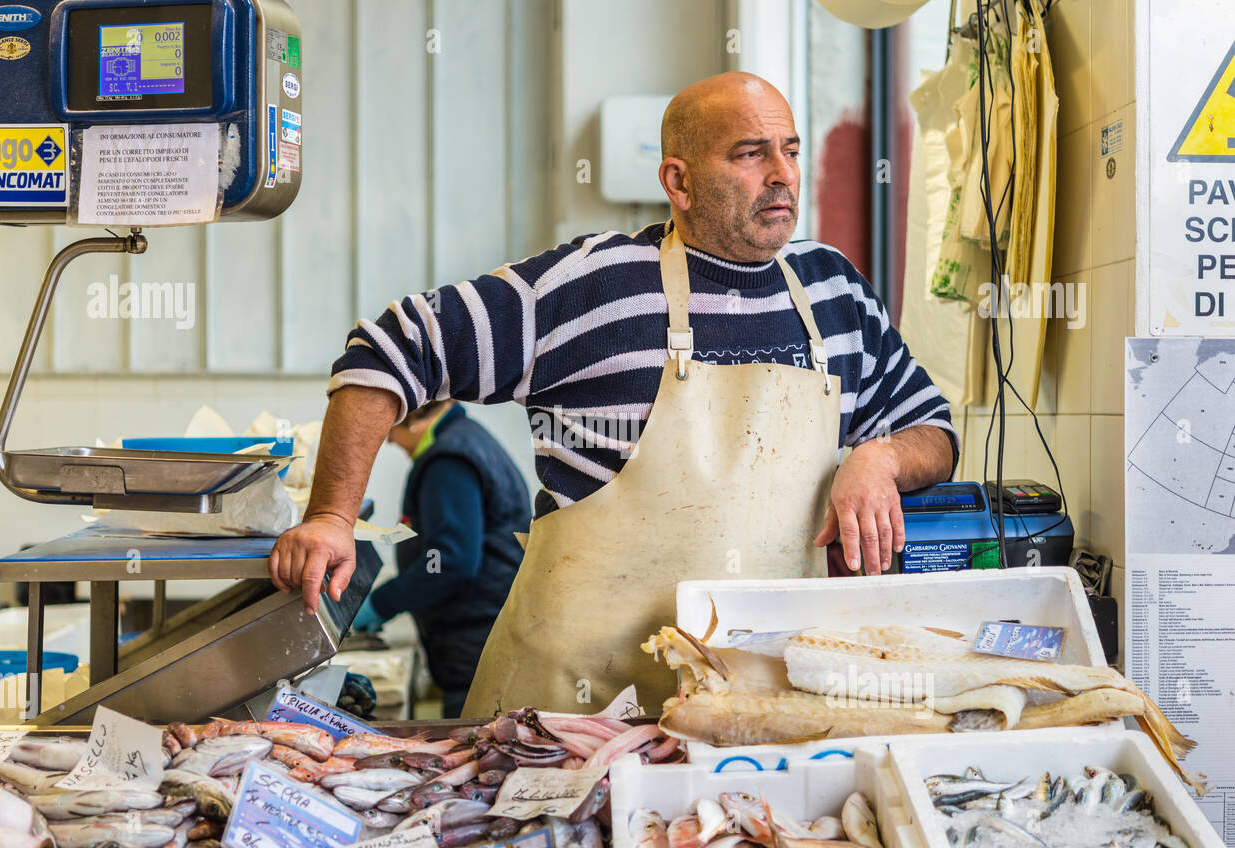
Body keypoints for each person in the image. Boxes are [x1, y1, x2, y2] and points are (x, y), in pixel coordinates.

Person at [270, 71, 957, 718]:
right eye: (750, 154)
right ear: (678, 182)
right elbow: (389, 347)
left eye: (790, 150)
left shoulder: (832, 290)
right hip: (564, 725)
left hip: (751, 719)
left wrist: (883, 457)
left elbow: (934, 427)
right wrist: (331, 515)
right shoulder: (593, 285)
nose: (782, 174)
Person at [351, 399, 531, 718]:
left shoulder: (448, 460)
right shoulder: (466, 439)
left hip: (475, 644)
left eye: (388, 429)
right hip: (484, 634)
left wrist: (381, 604)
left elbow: (449, 560)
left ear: (410, 416)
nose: (389, 441)